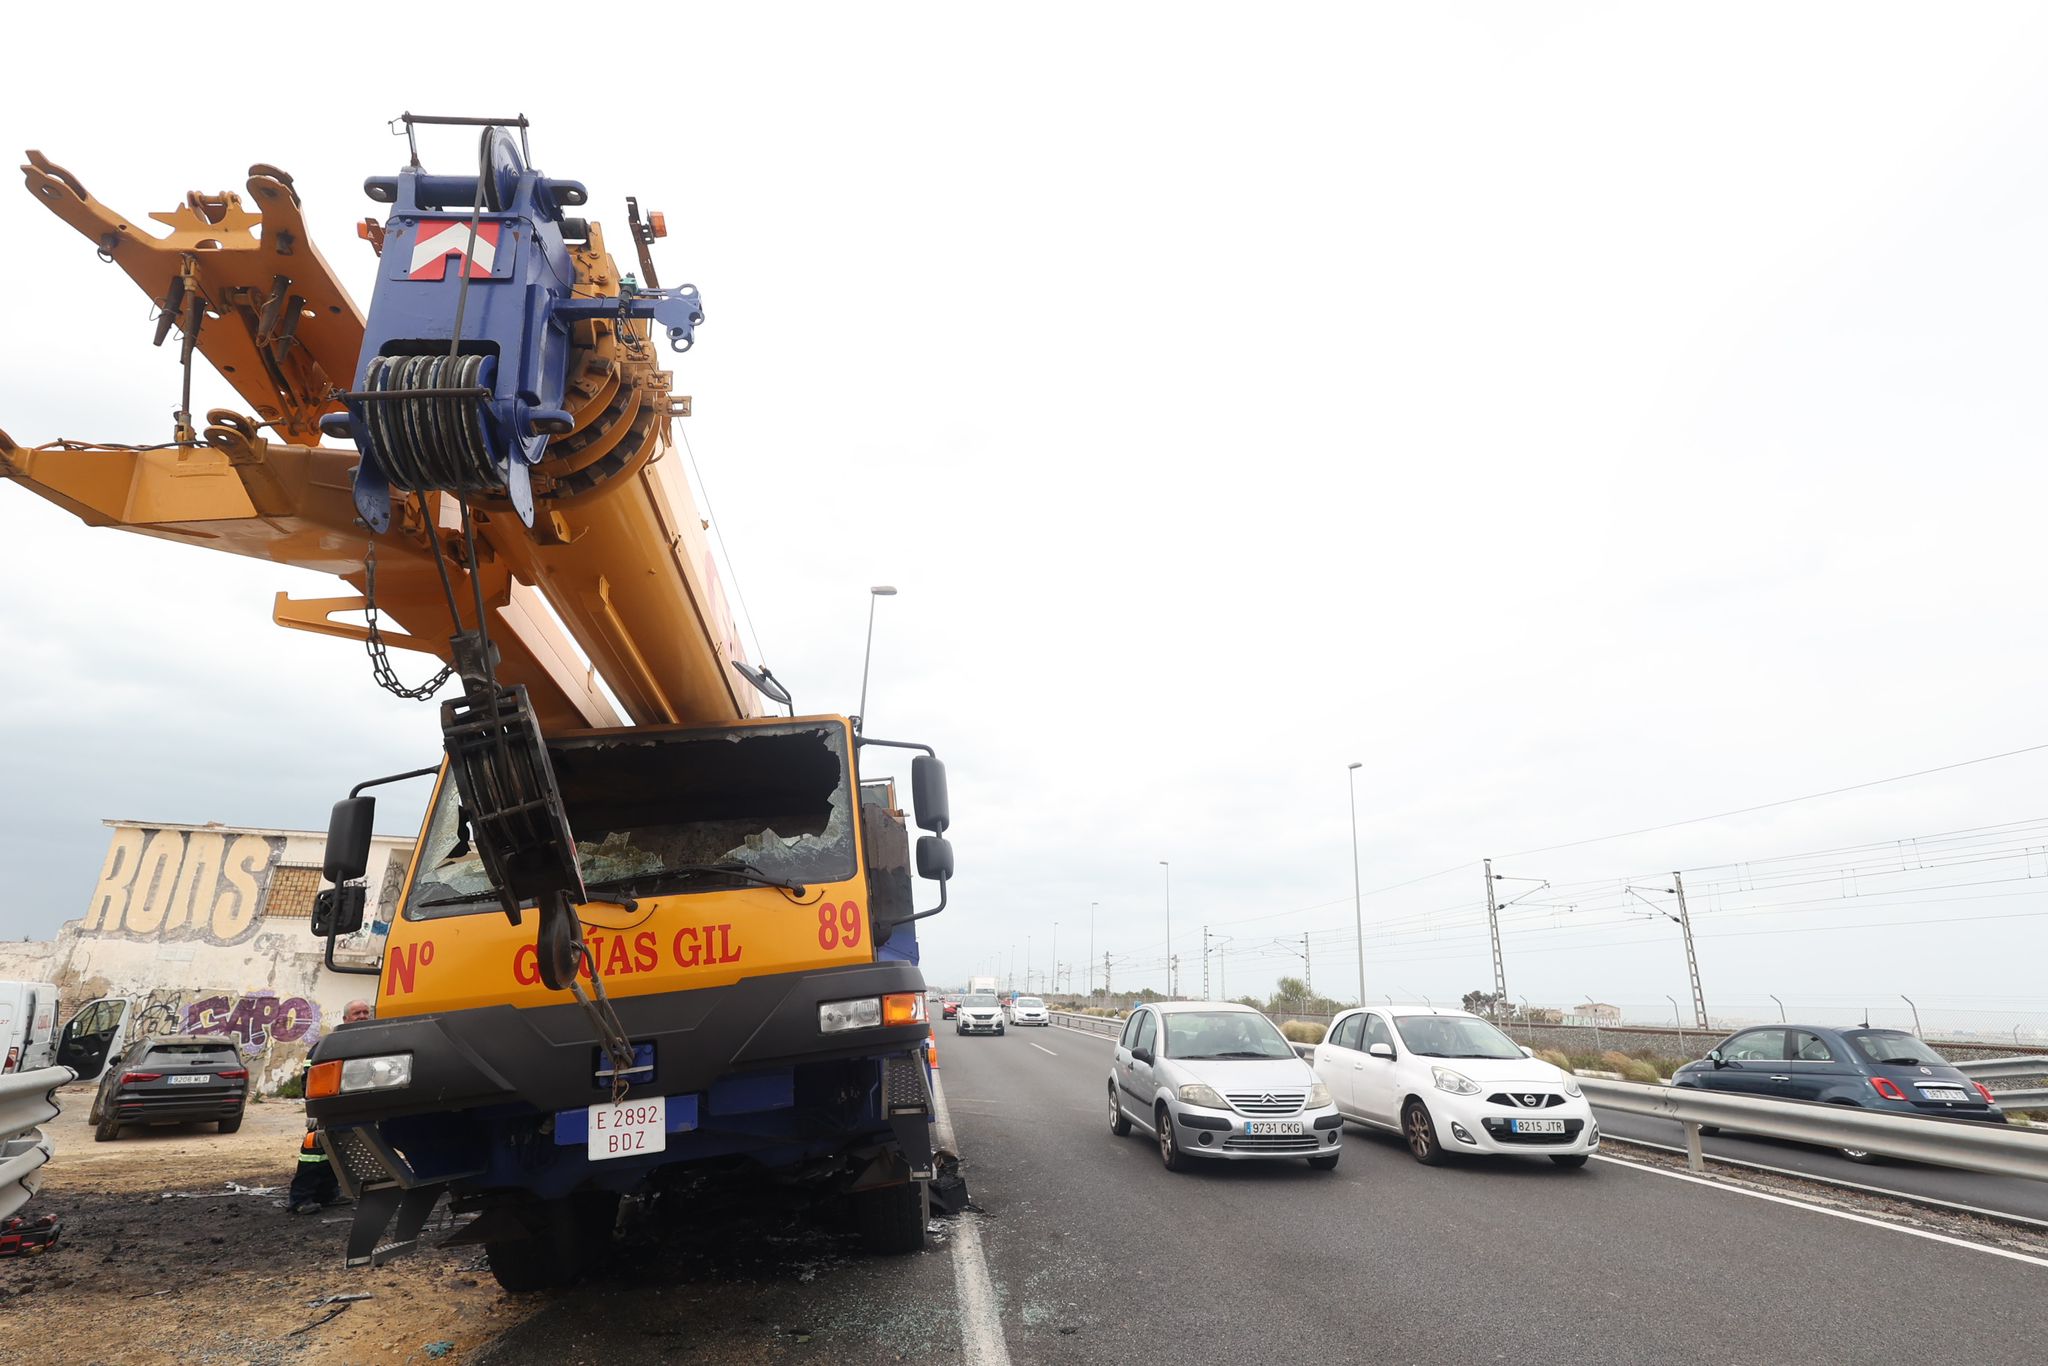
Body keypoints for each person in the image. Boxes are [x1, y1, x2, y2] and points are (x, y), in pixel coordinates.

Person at [287, 999, 370, 1214]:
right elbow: (310, 1077)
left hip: (351, 1108)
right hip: (328, 1108)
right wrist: (313, 1108)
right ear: (345, 1019)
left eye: (365, 1012)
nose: (361, 1016)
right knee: (314, 1153)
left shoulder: (370, 1041)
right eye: (356, 1013)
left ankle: (327, 1194)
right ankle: (300, 1199)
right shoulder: (329, 1044)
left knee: (337, 1153)